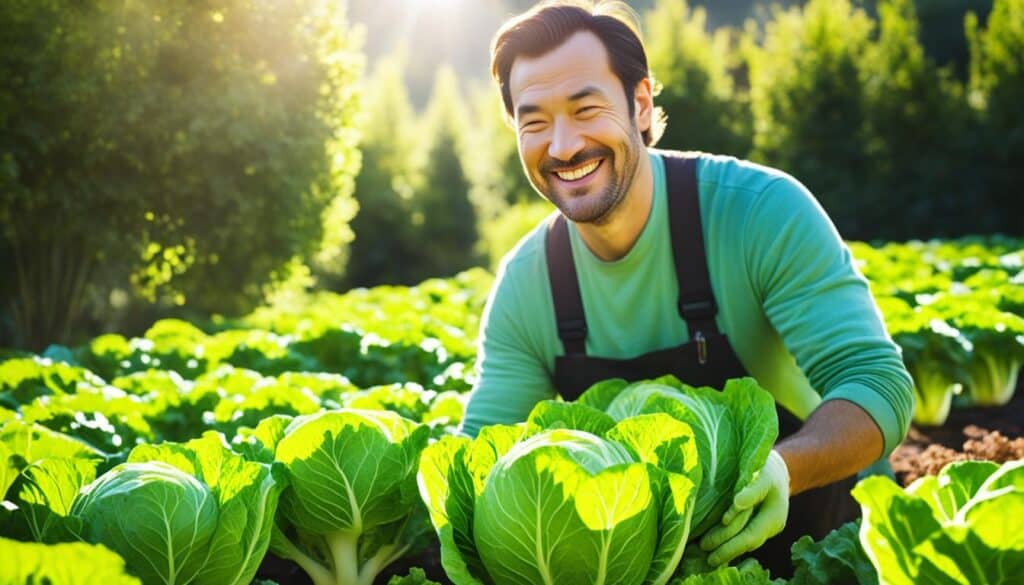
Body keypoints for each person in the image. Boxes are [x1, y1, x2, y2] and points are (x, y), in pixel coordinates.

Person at [459, 0, 914, 577]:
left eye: (587, 108)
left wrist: (783, 470)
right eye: (535, 122)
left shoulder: (759, 212)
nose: (564, 145)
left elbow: (878, 383)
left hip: (828, 545)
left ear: (641, 103)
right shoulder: (528, 283)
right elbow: (480, 456)